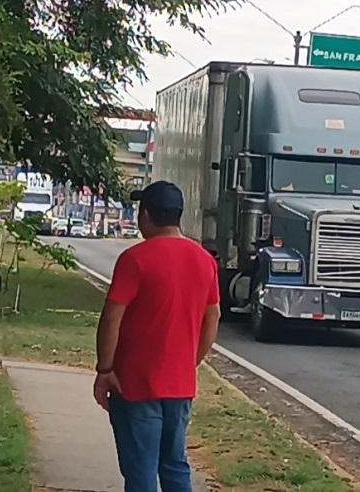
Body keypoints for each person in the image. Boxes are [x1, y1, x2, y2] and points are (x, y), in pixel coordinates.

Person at [93, 180, 221, 492]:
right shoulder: (204, 260)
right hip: (180, 385)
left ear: (146, 215)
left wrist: (105, 369)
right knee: (175, 464)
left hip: (135, 383)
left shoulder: (135, 259)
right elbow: (213, 316)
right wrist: (190, 362)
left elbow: (111, 317)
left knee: (141, 470)